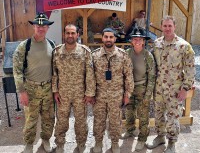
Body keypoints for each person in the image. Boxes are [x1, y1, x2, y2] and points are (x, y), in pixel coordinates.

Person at [146, 15, 195, 153]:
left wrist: (185, 88)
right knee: (158, 114)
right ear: (161, 27)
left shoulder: (184, 46)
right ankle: (160, 137)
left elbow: (190, 69)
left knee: (173, 117)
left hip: (175, 90)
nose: (167, 28)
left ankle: (172, 143)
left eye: (170, 26)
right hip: (159, 88)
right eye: (165, 26)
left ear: (174, 27)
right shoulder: (157, 44)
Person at [13, 12, 55, 153]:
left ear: (48, 28)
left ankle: (46, 140)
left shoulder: (52, 44)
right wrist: (22, 92)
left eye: (44, 26)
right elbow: (17, 71)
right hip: (31, 89)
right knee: (31, 119)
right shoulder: (24, 46)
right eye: (38, 25)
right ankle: (29, 144)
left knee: (48, 118)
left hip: (48, 88)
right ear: (34, 27)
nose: (41, 28)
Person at [52, 24, 96, 153]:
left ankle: (81, 144)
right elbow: (54, 73)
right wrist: (55, 91)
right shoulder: (57, 51)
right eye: (67, 33)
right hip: (63, 94)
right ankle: (60, 144)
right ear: (64, 34)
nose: (70, 35)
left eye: (73, 33)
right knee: (61, 121)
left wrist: (89, 93)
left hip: (80, 94)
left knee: (81, 121)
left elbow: (90, 74)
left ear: (77, 34)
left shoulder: (85, 51)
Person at [92, 28, 134, 153]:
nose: (108, 39)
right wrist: (90, 94)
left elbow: (129, 76)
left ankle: (115, 142)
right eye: (106, 37)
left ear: (115, 39)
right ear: (102, 38)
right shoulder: (94, 56)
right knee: (98, 120)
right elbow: (90, 77)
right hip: (99, 95)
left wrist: (127, 94)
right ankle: (98, 142)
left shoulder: (123, 55)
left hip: (116, 95)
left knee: (115, 120)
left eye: (111, 37)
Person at [121, 27, 156, 151]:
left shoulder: (148, 56)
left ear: (143, 41)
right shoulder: (126, 53)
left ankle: (142, 139)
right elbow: (122, 73)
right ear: (131, 41)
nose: (137, 41)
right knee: (129, 112)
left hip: (142, 87)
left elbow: (152, 76)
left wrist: (148, 94)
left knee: (143, 116)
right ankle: (130, 130)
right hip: (129, 88)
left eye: (139, 39)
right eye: (135, 39)